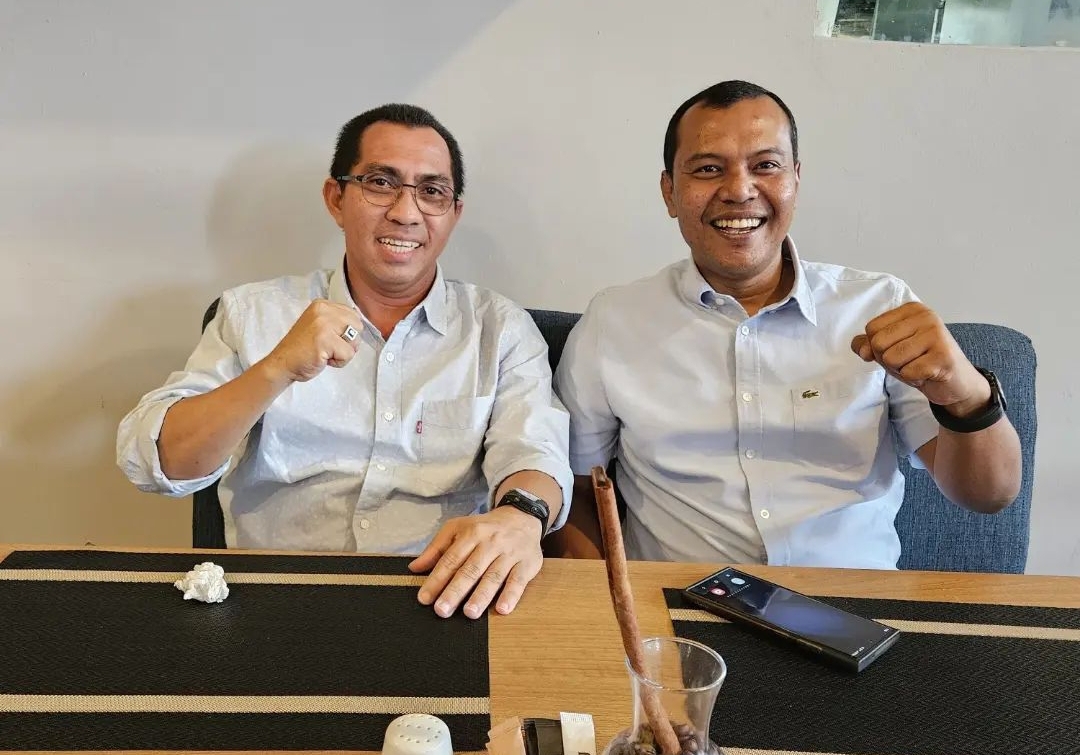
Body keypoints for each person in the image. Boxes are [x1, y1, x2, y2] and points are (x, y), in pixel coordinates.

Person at [118, 104, 572, 618]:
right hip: (273, 599)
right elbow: (156, 464)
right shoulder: (253, 315)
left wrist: (520, 516)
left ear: (453, 213)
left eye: (431, 191)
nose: (406, 212)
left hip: (443, 596)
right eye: (381, 183)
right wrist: (276, 368)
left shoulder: (500, 328)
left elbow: (535, 451)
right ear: (336, 198)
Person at [553, 81, 1021, 568]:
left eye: (765, 166)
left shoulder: (879, 307)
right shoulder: (613, 323)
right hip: (680, 602)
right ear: (670, 191)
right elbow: (575, 493)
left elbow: (989, 495)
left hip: (854, 601)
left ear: (795, 180)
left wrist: (965, 395)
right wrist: (603, 598)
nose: (739, 190)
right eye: (708, 169)